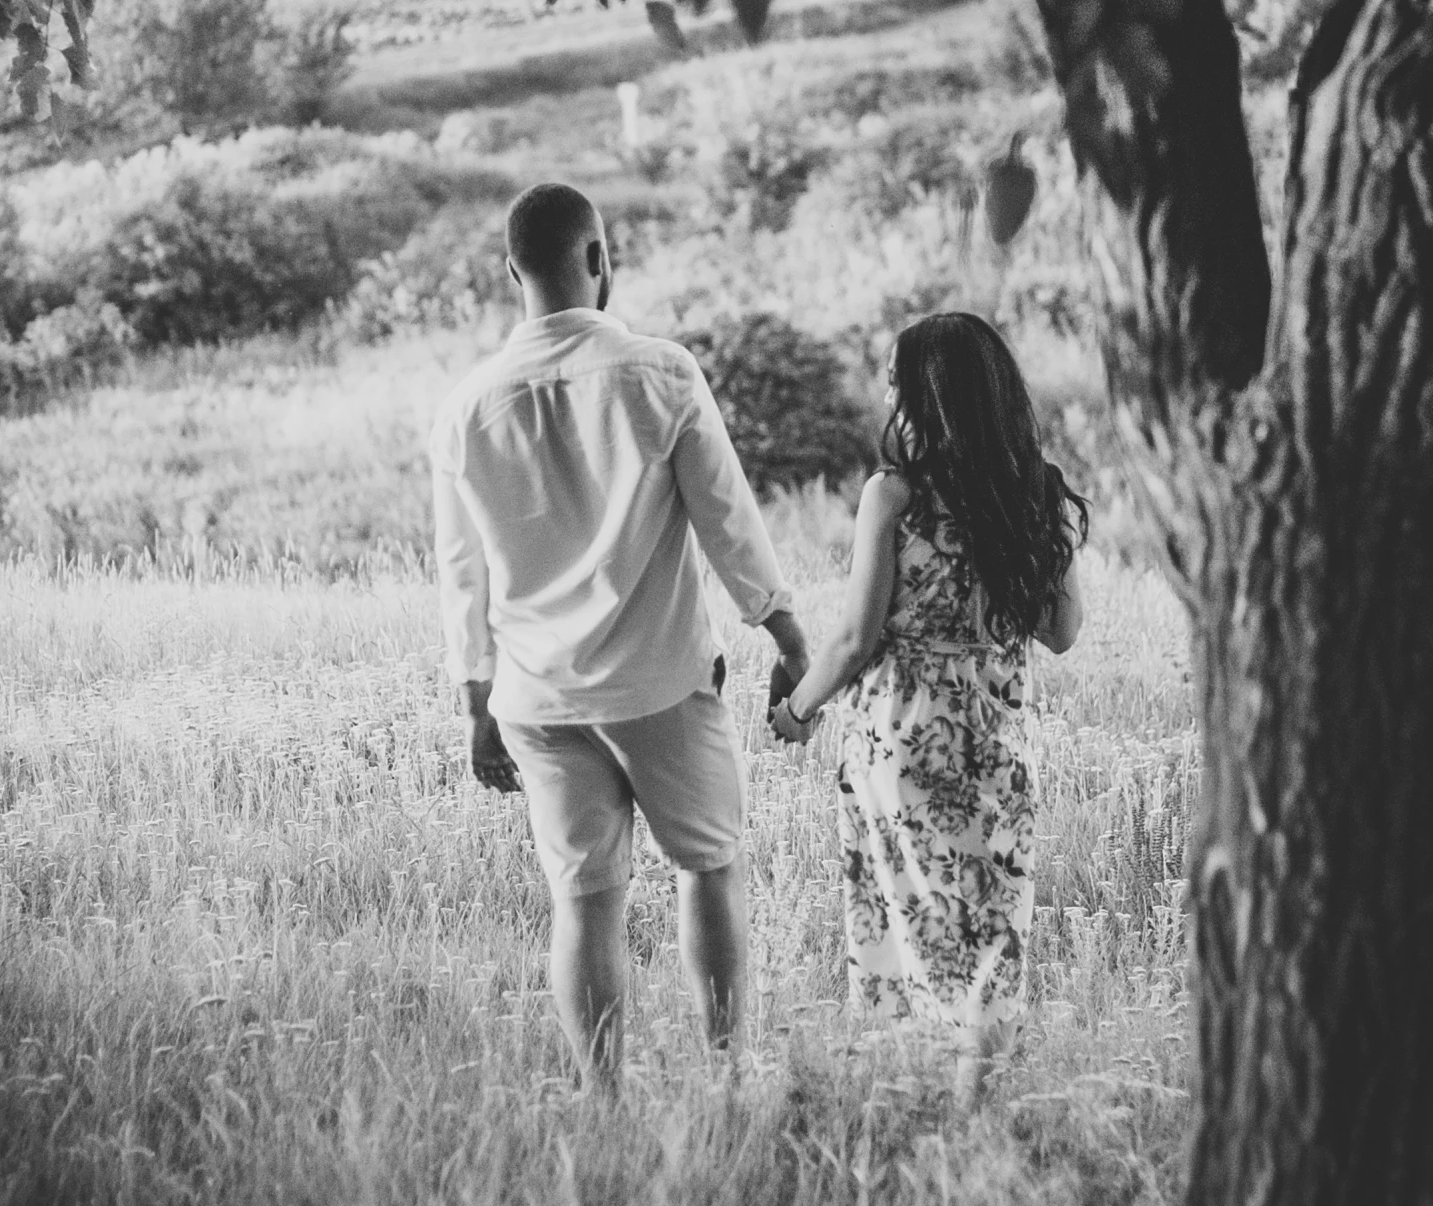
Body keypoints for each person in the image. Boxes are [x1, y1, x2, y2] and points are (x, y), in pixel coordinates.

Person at [430, 183, 811, 1084]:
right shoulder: (659, 372)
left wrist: (475, 700)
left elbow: (460, 571)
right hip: (661, 684)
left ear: (510, 271)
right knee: (709, 869)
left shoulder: (464, 406)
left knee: (583, 902)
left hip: (537, 699)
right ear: (599, 259)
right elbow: (726, 519)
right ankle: (723, 1078)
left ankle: (604, 1102)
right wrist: (786, 634)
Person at [771, 312, 1086, 1073]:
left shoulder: (894, 496)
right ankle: (973, 1092)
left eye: (893, 379)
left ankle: (906, 1086)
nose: (885, 392)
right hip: (992, 746)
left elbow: (854, 639)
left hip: (900, 740)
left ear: (924, 395)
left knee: (902, 921)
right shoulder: (1035, 494)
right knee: (987, 930)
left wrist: (794, 708)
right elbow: (1062, 630)